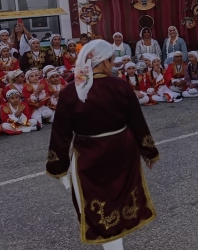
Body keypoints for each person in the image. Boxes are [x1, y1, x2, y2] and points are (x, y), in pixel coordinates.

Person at [45, 39, 160, 249]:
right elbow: (137, 122)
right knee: (119, 198)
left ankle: (113, 246)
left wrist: (59, 167)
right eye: (112, 60)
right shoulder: (121, 86)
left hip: (90, 155)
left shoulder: (70, 91)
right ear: (105, 62)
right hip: (122, 153)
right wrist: (149, 152)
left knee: (99, 201)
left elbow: (61, 133)